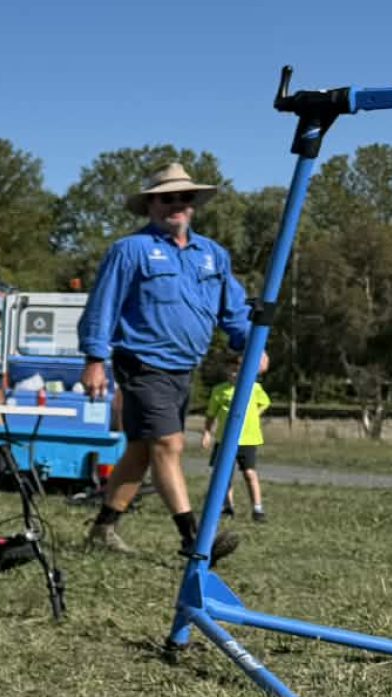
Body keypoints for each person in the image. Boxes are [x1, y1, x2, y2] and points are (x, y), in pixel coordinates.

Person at [79, 162, 253, 561]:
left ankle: (102, 530)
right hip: (141, 361)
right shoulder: (131, 251)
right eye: (165, 198)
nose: (175, 205)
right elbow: (102, 306)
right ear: (150, 205)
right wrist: (94, 359)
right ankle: (194, 539)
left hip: (183, 367)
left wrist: (251, 347)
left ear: (192, 205)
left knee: (142, 450)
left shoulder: (212, 256)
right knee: (168, 443)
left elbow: (235, 312)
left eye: (183, 198)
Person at [202, 360, 272, 522]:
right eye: (232, 370)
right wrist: (207, 433)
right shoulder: (219, 390)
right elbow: (211, 414)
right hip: (224, 439)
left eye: (239, 371)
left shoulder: (254, 388)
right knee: (223, 474)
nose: (235, 374)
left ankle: (257, 508)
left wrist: (255, 414)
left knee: (249, 473)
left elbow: (265, 403)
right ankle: (228, 507)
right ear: (227, 371)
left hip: (247, 439)